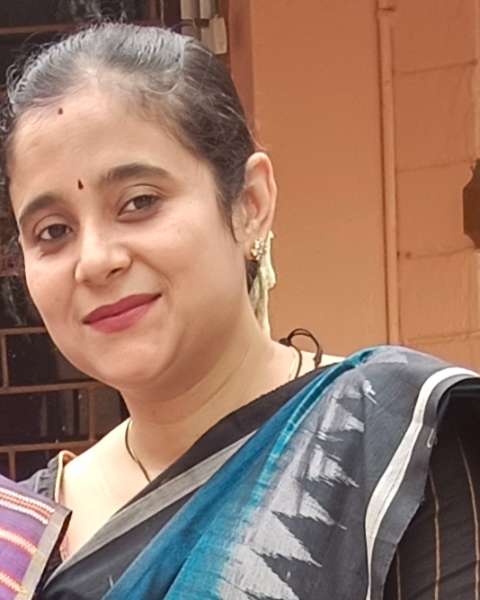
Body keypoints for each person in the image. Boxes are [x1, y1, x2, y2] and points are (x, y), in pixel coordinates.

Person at [0, 22, 478, 600]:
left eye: (139, 202)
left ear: (250, 203)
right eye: (53, 231)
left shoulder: (395, 444)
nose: (95, 261)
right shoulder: (21, 540)